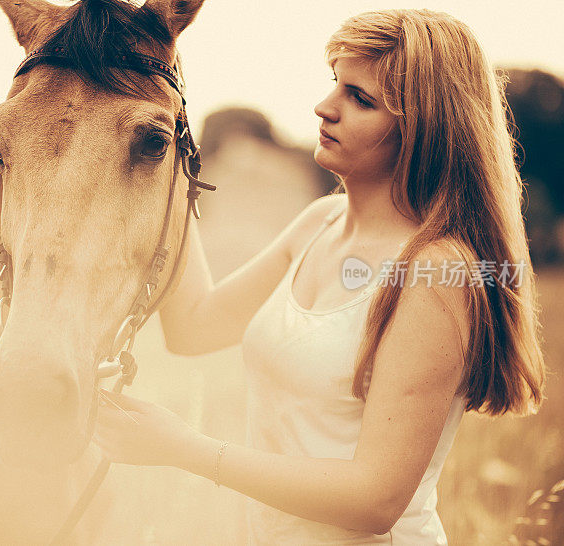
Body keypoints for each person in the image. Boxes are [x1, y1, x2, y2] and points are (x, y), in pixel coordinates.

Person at [94, 9, 546, 544]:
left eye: (360, 98)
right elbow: (194, 327)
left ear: (422, 128)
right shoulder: (320, 223)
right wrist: (172, 166)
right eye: (336, 82)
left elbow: (375, 499)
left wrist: (182, 448)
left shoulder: (438, 271)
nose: (324, 107)